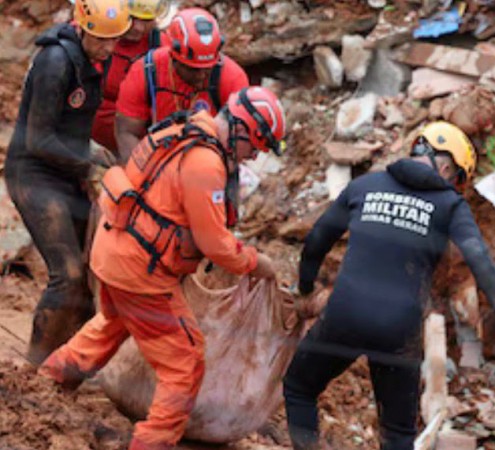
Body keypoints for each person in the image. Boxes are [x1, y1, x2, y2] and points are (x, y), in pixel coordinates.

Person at [38, 86, 287, 450]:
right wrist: (255, 262)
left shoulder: (178, 129)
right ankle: (151, 443)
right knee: (185, 361)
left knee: (112, 324)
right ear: (241, 129)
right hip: (140, 272)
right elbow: (215, 244)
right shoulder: (206, 163)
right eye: (255, 146)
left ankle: (47, 381)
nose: (253, 156)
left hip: (112, 252)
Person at [283, 121, 495, 450]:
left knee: (299, 387)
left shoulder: (365, 185)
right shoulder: (448, 204)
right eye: (458, 180)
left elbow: (316, 240)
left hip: (345, 314)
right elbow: (478, 257)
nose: (455, 188)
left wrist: (304, 287)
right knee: (397, 433)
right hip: (398, 330)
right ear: (446, 166)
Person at [4, 0, 132, 365]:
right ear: (82, 28)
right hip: (34, 173)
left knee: (88, 273)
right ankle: (33, 366)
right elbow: (38, 139)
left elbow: (70, 125)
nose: (108, 48)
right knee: (68, 274)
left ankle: (69, 364)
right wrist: (88, 165)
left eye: (114, 40)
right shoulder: (56, 62)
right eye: (101, 39)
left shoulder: (93, 59)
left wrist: (92, 153)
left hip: (66, 172)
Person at [114, 7, 249, 162]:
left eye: (207, 69)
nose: (201, 75)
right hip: (155, 157)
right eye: (193, 69)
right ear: (173, 57)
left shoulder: (232, 79)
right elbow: (126, 132)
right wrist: (147, 171)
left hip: (209, 161)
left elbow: (239, 145)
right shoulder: (145, 71)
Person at [91, 0, 167, 154]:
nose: (139, 28)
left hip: (140, 147)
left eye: (146, 20)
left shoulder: (162, 46)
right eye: (132, 18)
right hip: (88, 142)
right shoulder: (92, 34)